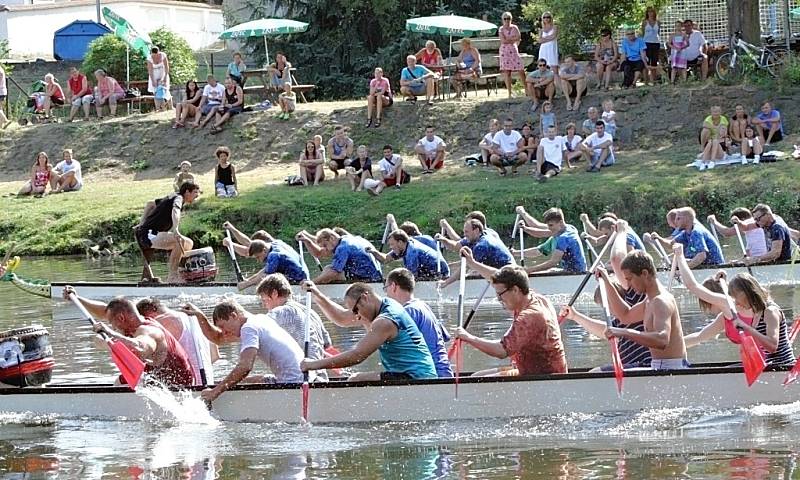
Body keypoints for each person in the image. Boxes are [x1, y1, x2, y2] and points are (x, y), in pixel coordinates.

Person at [673, 244, 795, 366]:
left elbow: (772, 346)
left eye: (736, 299)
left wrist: (680, 256)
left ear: (746, 294)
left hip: (781, 366)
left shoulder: (770, 311)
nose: (735, 303)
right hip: (765, 364)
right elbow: (699, 337)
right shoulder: (752, 310)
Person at [560, 220, 652, 370]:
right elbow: (605, 330)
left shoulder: (637, 298)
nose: (608, 310)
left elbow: (617, 260)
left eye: (607, 305)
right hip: (634, 366)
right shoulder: (624, 317)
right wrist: (576, 316)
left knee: (593, 373)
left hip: (645, 366)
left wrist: (621, 232)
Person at [455, 256, 567, 376]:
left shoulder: (530, 316)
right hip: (530, 372)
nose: (499, 299)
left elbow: (501, 351)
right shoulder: (532, 297)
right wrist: (472, 263)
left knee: (477, 383)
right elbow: (497, 280)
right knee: (475, 376)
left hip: (544, 378)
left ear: (515, 290)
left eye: (500, 295)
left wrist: (468, 338)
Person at [300, 282, 436, 381]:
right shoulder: (383, 305)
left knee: (355, 379)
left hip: (416, 377)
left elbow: (357, 355)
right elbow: (342, 318)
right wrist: (316, 295)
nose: (356, 316)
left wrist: (313, 364)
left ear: (365, 297)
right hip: (412, 374)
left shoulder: (385, 321)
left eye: (355, 310)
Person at [64, 286, 194, 387]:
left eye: (112, 323)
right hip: (160, 379)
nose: (113, 326)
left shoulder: (149, 331)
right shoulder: (133, 319)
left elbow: (141, 347)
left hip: (180, 388)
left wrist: (110, 333)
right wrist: (77, 299)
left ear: (121, 318)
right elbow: (106, 310)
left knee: (120, 382)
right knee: (122, 380)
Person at [191, 300, 305, 405]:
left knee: (229, 383)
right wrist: (199, 316)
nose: (224, 332)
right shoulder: (260, 319)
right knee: (252, 380)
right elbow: (218, 339)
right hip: (302, 377)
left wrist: (214, 392)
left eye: (223, 326)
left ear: (234, 316)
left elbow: (245, 367)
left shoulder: (249, 328)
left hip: (294, 384)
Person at [603, 250, 688, 370]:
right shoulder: (649, 300)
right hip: (658, 366)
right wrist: (606, 281)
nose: (628, 284)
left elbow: (662, 340)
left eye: (630, 279)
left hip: (672, 369)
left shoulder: (661, 301)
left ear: (644, 273)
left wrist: (624, 332)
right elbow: (625, 316)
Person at [254, 274, 332, 381]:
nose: (264, 306)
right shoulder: (311, 312)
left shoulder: (281, 312)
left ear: (274, 294)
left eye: (264, 300)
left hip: (304, 379)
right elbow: (327, 345)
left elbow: (254, 327)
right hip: (321, 377)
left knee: (252, 380)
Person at [383, 268, 452, 377]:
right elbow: (445, 337)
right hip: (444, 371)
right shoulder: (423, 306)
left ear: (393, 286)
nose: (386, 294)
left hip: (431, 375)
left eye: (385, 288)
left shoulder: (408, 312)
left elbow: (390, 345)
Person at [137, 297, 218, 386]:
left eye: (146, 319)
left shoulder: (162, 321)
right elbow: (215, 356)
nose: (147, 323)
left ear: (152, 311)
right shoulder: (195, 317)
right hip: (208, 382)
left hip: (192, 386)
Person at [133, 181, 200, 284]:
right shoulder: (178, 198)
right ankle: (172, 277)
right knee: (180, 241)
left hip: (152, 234)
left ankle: (181, 273)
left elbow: (150, 204)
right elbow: (175, 211)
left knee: (189, 243)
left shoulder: (172, 196)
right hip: (148, 235)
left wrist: (141, 223)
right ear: (187, 192)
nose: (197, 195)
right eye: (195, 192)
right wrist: (175, 229)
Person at [437, 218, 514, 287]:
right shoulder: (478, 236)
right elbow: (456, 245)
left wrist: (446, 283)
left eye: (466, 232)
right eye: (464, 232)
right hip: (498, 272)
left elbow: (465, 267)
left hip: (508, 275)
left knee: (473, 270)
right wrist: (443, 240)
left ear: (476, 230)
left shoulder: (482, 245)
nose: (464, 235)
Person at [516, 207, 586, 273]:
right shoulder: (569, 227)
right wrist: (524, 227)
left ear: (560, 222)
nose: (549, 228)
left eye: (551, 225)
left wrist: (529, 270)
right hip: (569, 271)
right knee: (551, 270)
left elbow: (553, 262)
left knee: (549, 269)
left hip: (576, 274)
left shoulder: (564, 238)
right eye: (548, 225)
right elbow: (538, 250)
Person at [301, 228, 382, 284]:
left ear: (332, 238)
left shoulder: (342, 248)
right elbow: (320, 254)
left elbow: (333, 273)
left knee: (328, 271)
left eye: (325, 245)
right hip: (377, 276)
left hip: (370, 280)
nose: (325, 249)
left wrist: (313, 282)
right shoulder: (349, 239)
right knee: (328, 271)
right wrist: (307, 241)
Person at [653, 207, 724, 267]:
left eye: (678, 219)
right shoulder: (685, 233)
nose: (675, 221)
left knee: (678, 261)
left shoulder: (696, 232)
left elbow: (702, 256)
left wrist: (685, 269)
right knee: (672, 260)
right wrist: (658, 238)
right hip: (704, 265)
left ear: (686, 219)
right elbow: (670, 245)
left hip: (714, 266)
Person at [367, 230, 449, 281]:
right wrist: (373, 252)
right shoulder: (404, 246)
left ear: (400, 242)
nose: (390, 247)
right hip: (430, 273)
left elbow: (411, 278)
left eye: (392, 244)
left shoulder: (412, 252)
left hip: (441, 275)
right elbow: (385, 259)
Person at [236, 238, 309, 289]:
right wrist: (248, 280)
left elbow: (265, 276)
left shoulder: (273, 255)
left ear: (264, 250)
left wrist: (245, 285)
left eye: (258, 257)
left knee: (268, 279)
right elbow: (265, 270)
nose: (258, 260)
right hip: (304, 273)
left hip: (299, 279)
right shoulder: (276, 243)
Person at [498, 12, 526, 98]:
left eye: (508, 18)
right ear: (502, 20)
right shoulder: (501, 29)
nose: (507, 20)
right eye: (505, 19)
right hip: (505, 52)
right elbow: (503, 41)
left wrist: (508, 39)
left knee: (521, 70)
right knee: (507, 72)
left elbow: (518, 37)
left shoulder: (515, 27)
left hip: (514, 51)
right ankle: (510, 93)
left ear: (511, 19)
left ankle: (527, 90)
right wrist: (512, 39)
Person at [641, 7, 662, 84]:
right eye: (649, 12)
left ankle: (654, 79)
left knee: (654, 61)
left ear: (654, 13)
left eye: (652, 12)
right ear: (647, 13)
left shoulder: (658, 22)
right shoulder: (644, 22)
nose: (650, 13)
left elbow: (658, 33)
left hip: (656, 43)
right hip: (647, 42)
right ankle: (646, 80)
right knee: (647, 61)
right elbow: (643, 34)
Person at [536, 12, 559, 80]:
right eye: (544, 17)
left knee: (554, 69)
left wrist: (544, 39)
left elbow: (554, 36)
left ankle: (558, 86)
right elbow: (539, 40)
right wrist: (549, 38)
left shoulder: (555, 27)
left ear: (551, 18)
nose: (546, 19)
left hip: (552, 49)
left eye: (548, 17)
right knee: (542, 67)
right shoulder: (541, 30)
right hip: (543, 49)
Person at [0, 63, 9, 129]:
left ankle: (5, 120)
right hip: (2, 91)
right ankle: (1, 126)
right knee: (0, 108)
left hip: (0, 91)